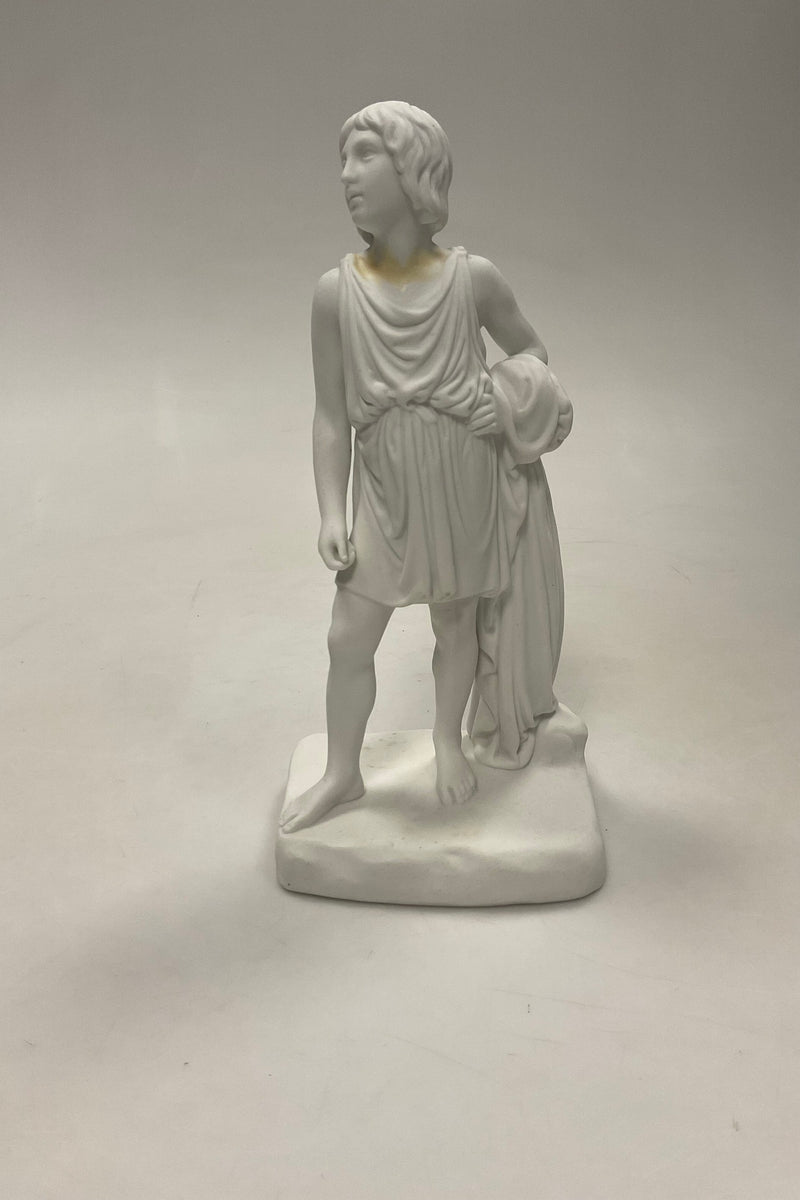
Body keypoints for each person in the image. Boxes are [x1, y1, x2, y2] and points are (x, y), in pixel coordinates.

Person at [280, 101, 569, 834]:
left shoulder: (474, 280)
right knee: (349, 636)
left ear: (413, 170)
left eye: (364, 156)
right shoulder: (335, 293)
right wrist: (332, 511)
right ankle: (342, 772)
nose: (346, 176)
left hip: (461, 473)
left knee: (456, 621)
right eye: (343, 160)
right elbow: (329, 414)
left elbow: (532, 353)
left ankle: (446, 740)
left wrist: (503, 399)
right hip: (384, 488)